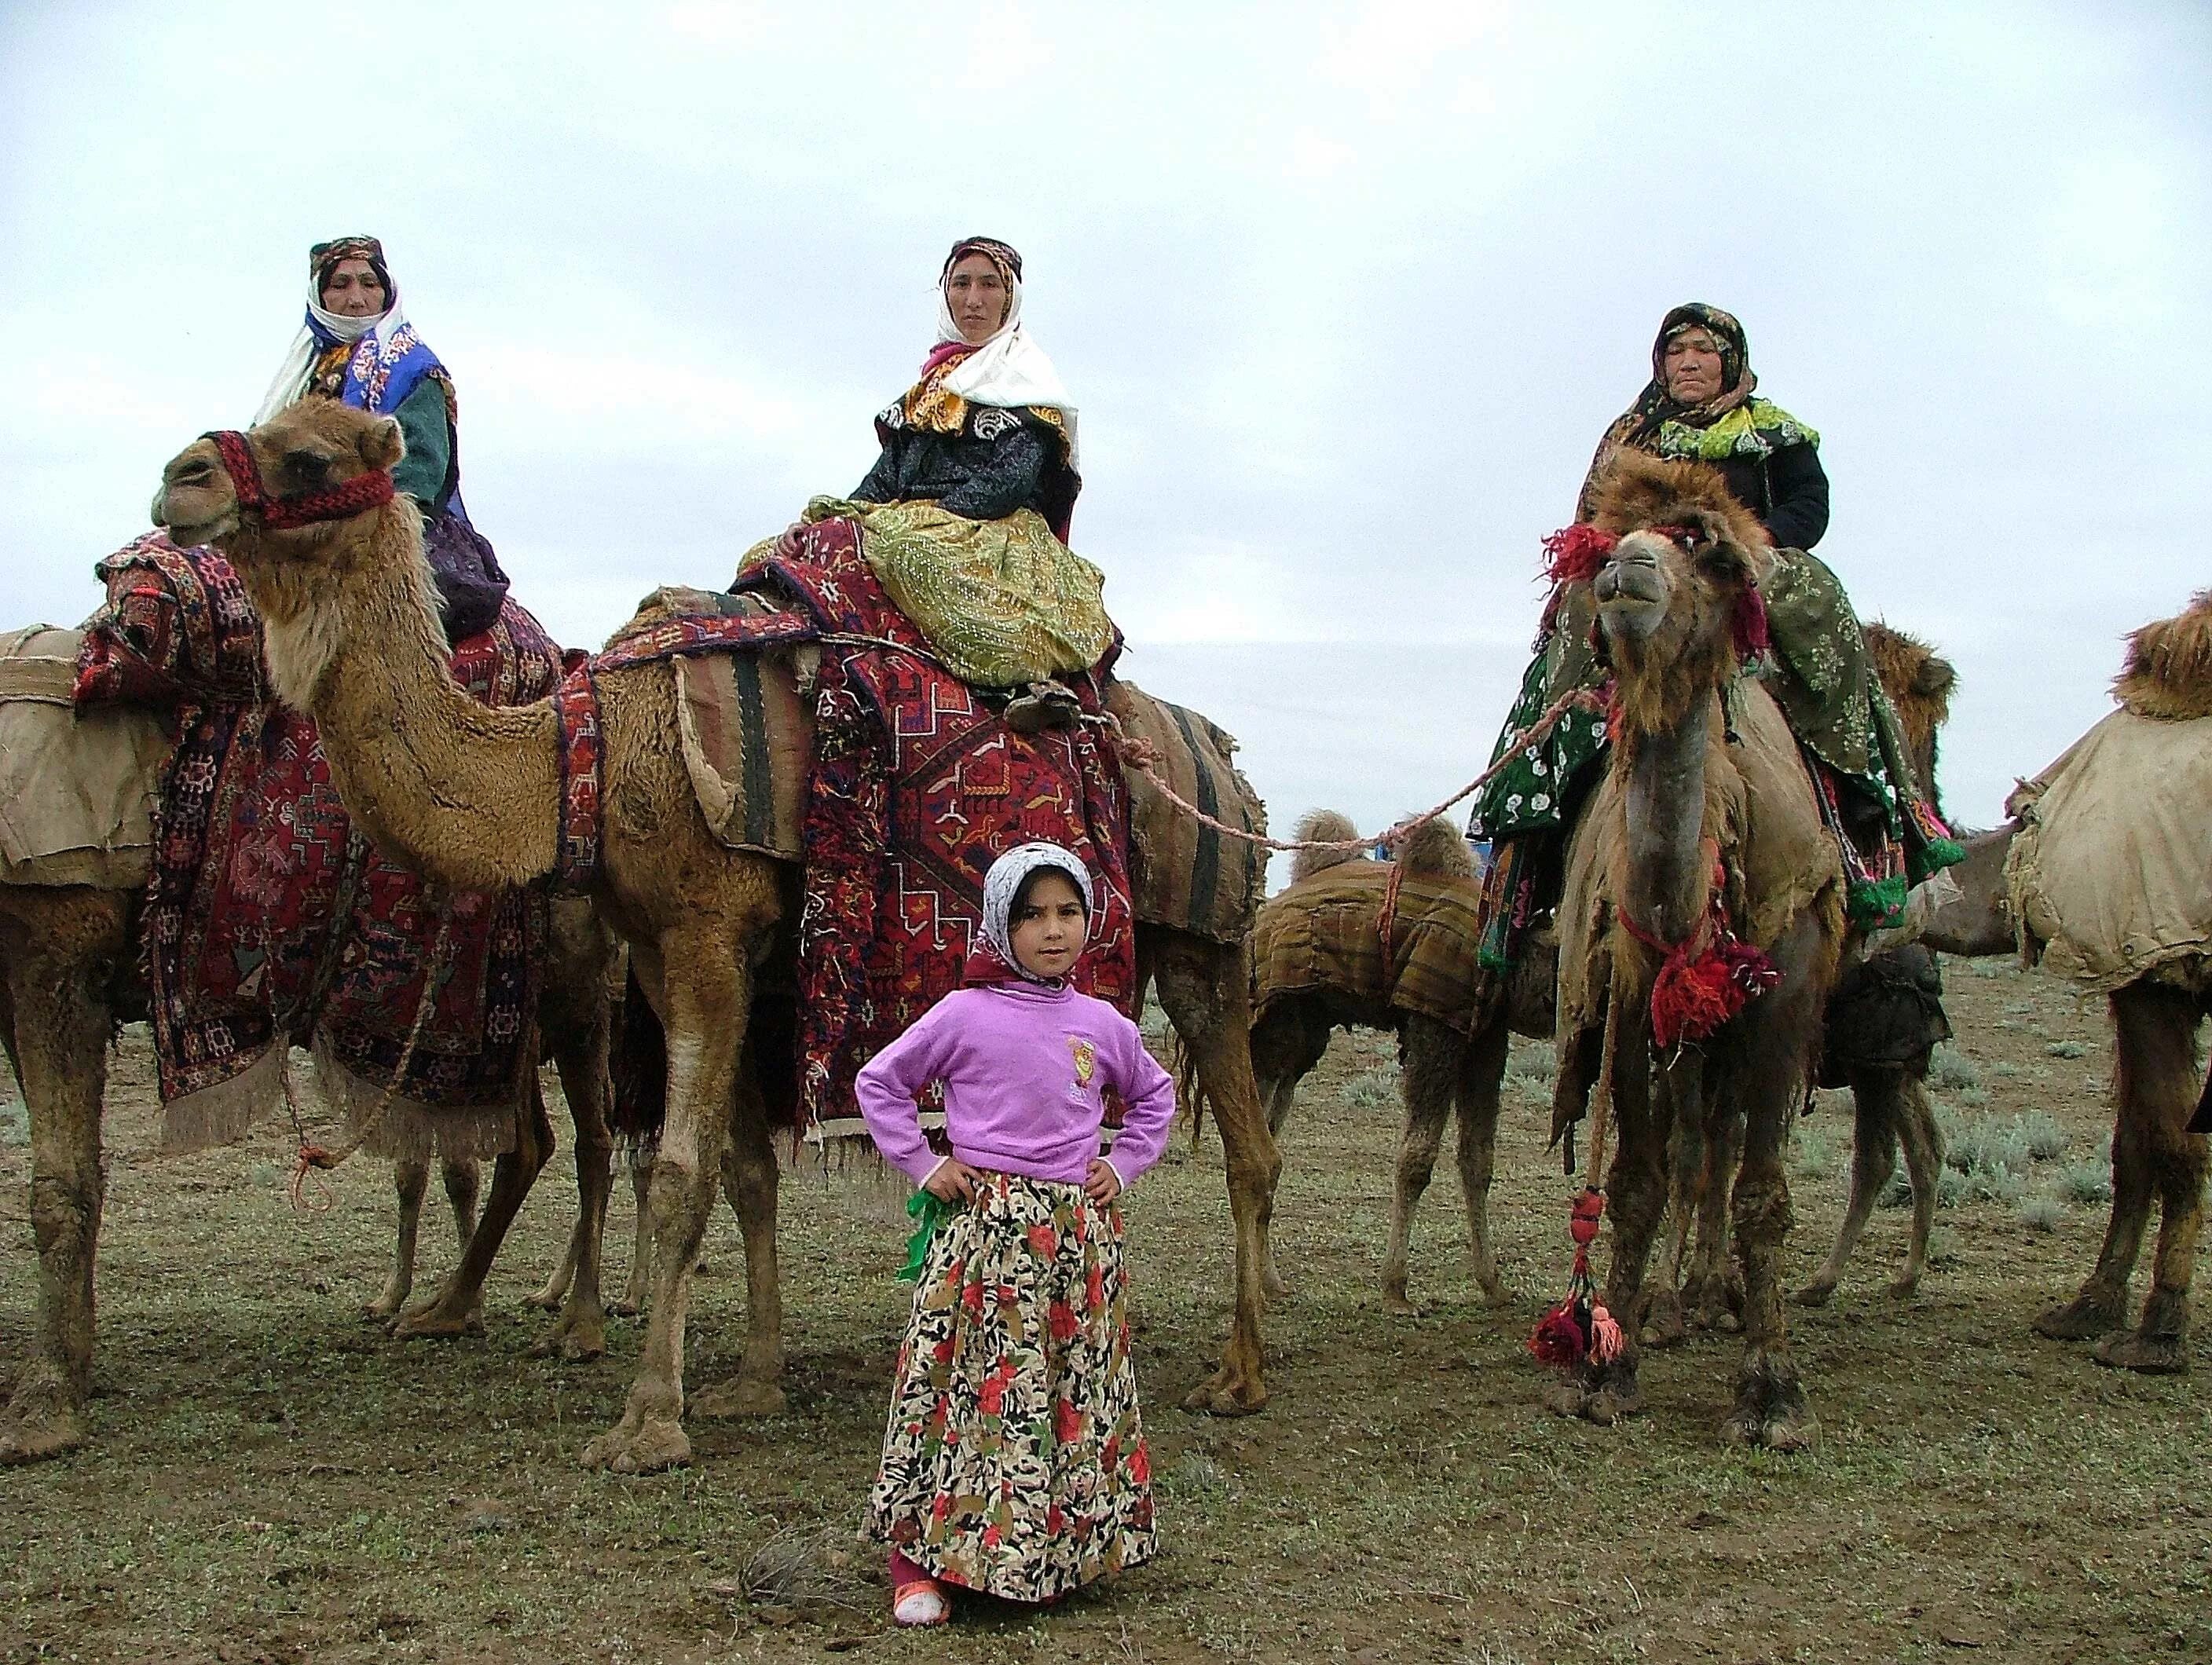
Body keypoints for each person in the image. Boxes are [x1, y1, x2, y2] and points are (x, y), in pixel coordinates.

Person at [1471, 303, 1958, 968]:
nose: (1689, 362)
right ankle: (1533, 846)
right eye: (1676, 352)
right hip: (1647, 566)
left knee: (1819, 593)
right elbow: (1593, 518)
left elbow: (1808, 509)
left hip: (1741, 562)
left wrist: (1747, 543)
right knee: (1575, 618)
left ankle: (1857, 800)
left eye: (1703, 349)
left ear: (1730, 361)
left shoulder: (1771, 432)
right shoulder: (1632, 435)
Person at [856, 842, 1172, 1627]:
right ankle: (916, 1562)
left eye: (1067, 911)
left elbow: (1153, 1096)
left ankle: (1048, 1552)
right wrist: (924, 1164)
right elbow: (881, 1081)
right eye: (1031, 913)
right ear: (1001, 922)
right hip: (983, 1242)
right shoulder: (962, 1013)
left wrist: (1122, 1162)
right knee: (957, 1387)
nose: (1052, 929)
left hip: (1072, 1248)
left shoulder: (1101, 1023)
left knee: (1061, 1392)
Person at [766, 236, 1112, 728]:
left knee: (911, 554)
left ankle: (1025, 685)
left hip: (992, 530)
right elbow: (888, 477)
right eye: (961, 283)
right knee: (790, 550)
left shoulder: (1030, 384)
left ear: (1010, 298)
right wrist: (832, 516)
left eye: (989, 284)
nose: (973, 299)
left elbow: (1009, 482)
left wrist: (929, 516)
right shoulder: (929, 389)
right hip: (913, 518)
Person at [254, 236, 510, 640]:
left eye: (369, 283)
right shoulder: (299, 374)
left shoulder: (413, 370)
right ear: (318, 294)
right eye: (340, 285)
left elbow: (421, 471)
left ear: (386, 290)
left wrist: (348, 527)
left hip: (386, 525)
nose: (357, 299)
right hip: (295, 529)